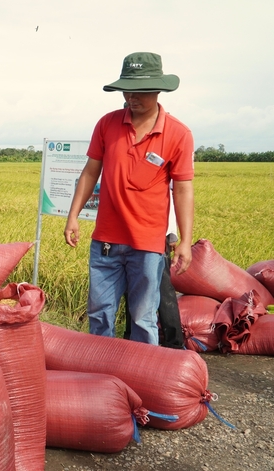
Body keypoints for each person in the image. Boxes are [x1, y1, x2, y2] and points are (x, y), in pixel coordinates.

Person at [63, 52, 194, 346]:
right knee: (99, 314)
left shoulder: (178, 134)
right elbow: (90, 172)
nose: (132, 97)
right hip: (106, 243)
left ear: (158, 91)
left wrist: (185, 240)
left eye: (140, 92)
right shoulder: (107, 124)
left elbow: (183, 189)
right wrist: (73, 216)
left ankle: (140, 383)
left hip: (147, 245)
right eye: (127, 90)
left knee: (142, 318)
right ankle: (101, 380)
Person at [124, 186, 185, 348]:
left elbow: (173, 191)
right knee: (132, 287)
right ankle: (130, 337)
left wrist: (171, 233)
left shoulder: (159, 163)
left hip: (156, 233)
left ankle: (174, 343)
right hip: (132, 231)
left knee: (163, 288)